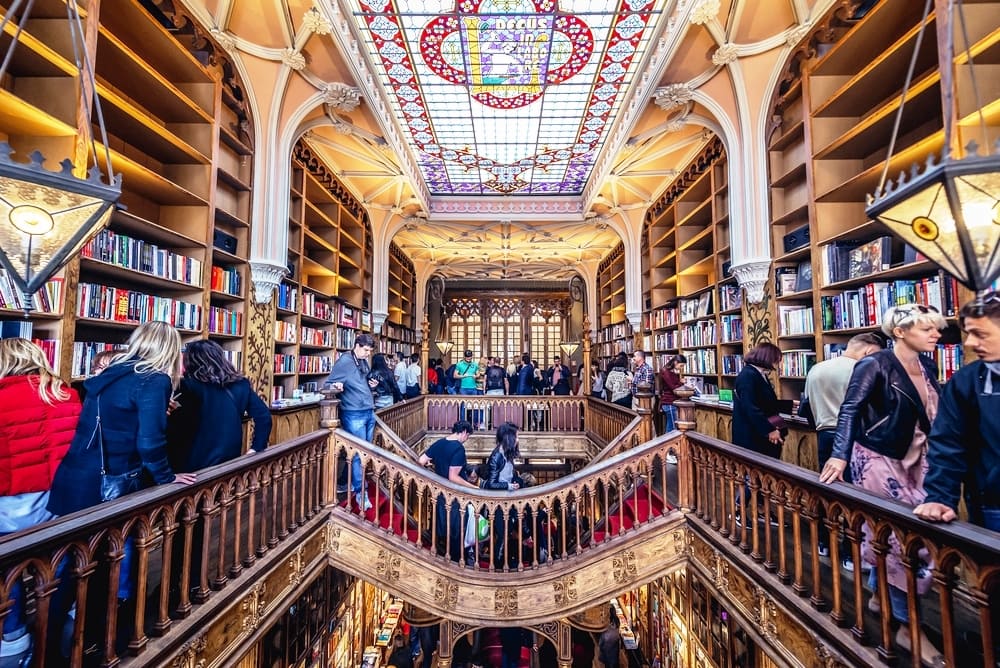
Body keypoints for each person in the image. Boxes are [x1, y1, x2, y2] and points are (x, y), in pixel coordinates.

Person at [48, 321, 197, 659]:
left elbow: (113, 422)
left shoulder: (111, 374)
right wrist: (167, 479)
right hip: (109, 485)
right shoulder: (154, 379)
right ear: (169, 349)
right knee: (106, 561)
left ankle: (48, 646)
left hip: (74, 479)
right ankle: (100, 643)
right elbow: (149, 443)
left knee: (65, 567)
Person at [819, 304, 946, 666]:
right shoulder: (874, 363)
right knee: (905, 542)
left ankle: (880, 596)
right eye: (927, 328)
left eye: (936, 328)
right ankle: (909, 628)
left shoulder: (927, 366)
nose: (936, 334)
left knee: (895, 538)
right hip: (879, 457)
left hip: (918, 458)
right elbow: (850, 409)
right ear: (901, 331)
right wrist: (839, 455)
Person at [0, 339, 82, 665]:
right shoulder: (67, 395)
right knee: (56, 566)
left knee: (10, 572)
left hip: (10, 503)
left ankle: (13, 639)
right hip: (58, 501)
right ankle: (59, 629)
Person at [916, 292, 1000, 531]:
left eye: (980, 334)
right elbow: (948, 442)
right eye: (969, 332)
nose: (969, 343)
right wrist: (940, 497)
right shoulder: (967, 381)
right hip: (992, 507)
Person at [802, 333, 882, 565]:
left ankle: (824, 543)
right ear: (868, 350)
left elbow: (806, 406)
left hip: (823, 434)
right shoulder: (861, 370)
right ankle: (850, 553)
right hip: (852, 437)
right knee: (852, 496)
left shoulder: (816, 369)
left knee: (827, 490)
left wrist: (817, 425)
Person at [167, 340, 272, 472]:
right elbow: (264, 417)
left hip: (194, 465)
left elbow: (175, 428)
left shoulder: (187, 386)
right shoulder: (241, 384)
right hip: (229, 460)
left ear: (190, 361)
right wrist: (255, 448)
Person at [325, 333, 379, 511]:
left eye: (370, 351)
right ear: (357, 345)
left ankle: (346, 483)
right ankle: (360, 492)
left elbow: (359, 382)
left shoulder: (362, 361)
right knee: (358, 455)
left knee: (364, 453)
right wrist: (336, 387)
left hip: (367, 411)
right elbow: (329, 384)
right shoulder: (345, 361)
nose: (367, 354)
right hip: (354, 413)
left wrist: (370, 385)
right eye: (365, 350)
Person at [418, 421, 479, 565]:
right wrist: (471, 487)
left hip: (440, 494)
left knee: (442, 528)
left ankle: (443, 558)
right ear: (464, 432)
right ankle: (456, 563)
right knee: (456, 532)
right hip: (454, 496)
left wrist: (434, 466)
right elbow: (453, 477)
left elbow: (421, 460)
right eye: (468, 436)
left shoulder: (440, 443)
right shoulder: (458, 449)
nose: (466, 439)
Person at [732, 342, 784, 458]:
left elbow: (765, 402)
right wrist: (769, 430)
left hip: (758, 434)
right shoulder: (748, 375)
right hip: (751, 436)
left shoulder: (759, 374)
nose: (776, 364)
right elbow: (750, 407)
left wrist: (790, 405)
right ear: (767, 358)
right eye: (775, 360)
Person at [481, 422, 522, 568]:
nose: (518, 440)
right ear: (509, 438)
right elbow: (491, 483)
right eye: (516, 437)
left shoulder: (507, 454)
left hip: (507, 500)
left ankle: (505, 561)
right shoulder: (497, 455)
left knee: (508, 531)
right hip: (497, 503)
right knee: (503, 533)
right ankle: (498, 564)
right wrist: (509, 486)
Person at [658, 354, 687, 433]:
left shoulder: (670, 372)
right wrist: (681, 383)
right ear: (675, 362)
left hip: (671, 401)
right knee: (672, 428)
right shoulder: (666, 372)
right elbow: (673, 387)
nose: (681, 368)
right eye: (681, 365)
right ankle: (669, 444)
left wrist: (680, 382)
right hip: (669, 402)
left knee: (671, 426)